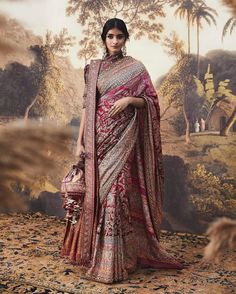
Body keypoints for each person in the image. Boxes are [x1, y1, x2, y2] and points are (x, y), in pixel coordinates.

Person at [60, 18, 186, 284]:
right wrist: (79, 141)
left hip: (123, 141)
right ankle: (94, 253)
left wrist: (130, 99)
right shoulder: (92, 69)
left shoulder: (136, 68)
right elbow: (86, 107)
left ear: (126, 39)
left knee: (116, 194)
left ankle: (116, 258)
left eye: (119, 36)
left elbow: (151, 101)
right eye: (110, 36)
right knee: (96, 195)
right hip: (97, 142)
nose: (115, 41)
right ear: (103, 39)